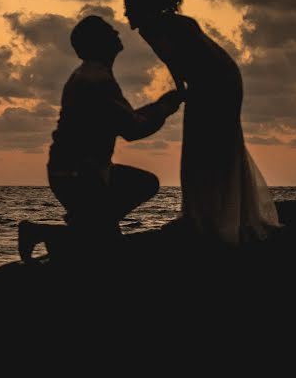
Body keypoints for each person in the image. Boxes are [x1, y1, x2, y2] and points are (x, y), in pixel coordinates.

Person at [123, 0, 281, 244]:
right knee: (197, 147)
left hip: (220, 82)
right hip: (202, 83)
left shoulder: (178, 24)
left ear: (144, 7)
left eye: (129, 8)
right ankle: (199, 214)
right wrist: (181, 90)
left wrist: (187, 91)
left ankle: (215, 217)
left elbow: (199, 60)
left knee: (212, 146)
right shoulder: (148, 29)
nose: (126, 14)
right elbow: (174, 63)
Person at [18, 15, 182, 263]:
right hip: (79, 176)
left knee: (106, 232)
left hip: (80, 172)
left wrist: (161, 106)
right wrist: (164, 107)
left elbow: (127, 119)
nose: (117, 32)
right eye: (110, 31)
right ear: (100, 43)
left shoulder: (94, 75)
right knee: (117, 228)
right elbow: (133, 129)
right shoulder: (96, 80)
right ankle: (47, 231)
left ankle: (66, 232)